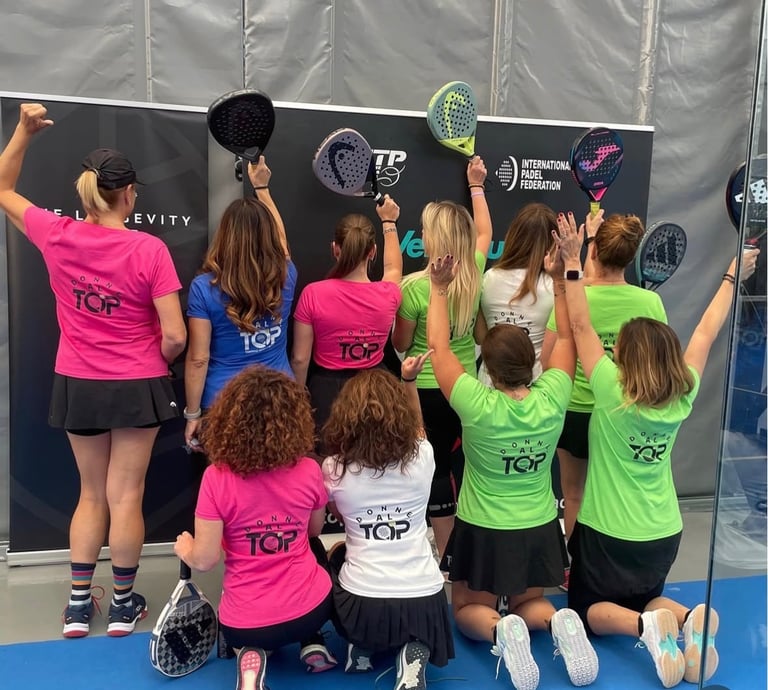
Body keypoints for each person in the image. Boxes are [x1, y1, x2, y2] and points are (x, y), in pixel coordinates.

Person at [0, 103, 187, 638]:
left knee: (90, 493)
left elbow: (2, 186)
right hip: (137, 381)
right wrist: (156, 359)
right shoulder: (149, 249)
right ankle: (123, 608)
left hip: (79, 380)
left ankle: (79, 607)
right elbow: (174, 334)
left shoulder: (56, 234)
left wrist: (23, 132)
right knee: (126, 494)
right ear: (129, 194)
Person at [554, 212, 759, 687]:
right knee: (647, 594)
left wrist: (570, 261)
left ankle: (644, 627)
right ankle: (687, 619)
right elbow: (707, 328)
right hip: (663, 532)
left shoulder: (610, 389)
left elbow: (580, 325)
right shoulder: (683, 389)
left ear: (623, 358)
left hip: (608, 533)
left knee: (588, 613)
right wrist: (732, 274)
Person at [427, 253, 599, 690]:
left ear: (489, 366)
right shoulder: (555, 392)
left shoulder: (475, 402)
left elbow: (439, 349)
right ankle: (558, 620)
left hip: (484, 528)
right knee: (530, 602)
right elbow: (565, 336)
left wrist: (439, 288)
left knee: (465, 607)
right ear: (532, 361)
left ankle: (500, 631)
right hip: (539, 525)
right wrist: (560, 281)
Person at [174, 366, 337, 687]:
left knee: (249, 631)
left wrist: (186, 548)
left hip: (244, 624)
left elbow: (205, 560)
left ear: (229, 420)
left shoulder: (216, 478)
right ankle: (312, 642)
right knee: (314, 549)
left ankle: (251, 652)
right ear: (294, 420)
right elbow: (314, 531)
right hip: (312, 611)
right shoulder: (309, 469)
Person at [541, 211, 668, 574]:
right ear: (631, 257)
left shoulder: (574, 299)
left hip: (577, 412)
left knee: (574, 492)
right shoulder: (650, 304)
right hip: (624, 415)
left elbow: (551, 360)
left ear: (593, 253)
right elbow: (656, 360)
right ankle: (613, 568)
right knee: (614, 493)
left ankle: (575, 570)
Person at [321, 353, 454, 690]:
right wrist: (409, 381)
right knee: (414, 619)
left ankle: (362, 647)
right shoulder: (423, 457)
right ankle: (414, 649)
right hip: (425, 602)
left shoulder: (334, 468)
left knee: (335, 555)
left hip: (363, 607)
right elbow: (419, 430)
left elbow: (336, 512)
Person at [391, 157, 492, 560]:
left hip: (426, 391)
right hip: (463, 388)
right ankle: (456, 547)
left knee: (429, 470)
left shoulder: (413, 288)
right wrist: (477, 186)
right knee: (454, 467)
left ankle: (446, 552)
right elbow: (485, 232)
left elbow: (401, 343)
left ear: (434, 239)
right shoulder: (475, 272)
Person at [184, 156, 294, 447]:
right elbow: (282, 243)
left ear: (225, 236)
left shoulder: (203, 289)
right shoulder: (286, 276)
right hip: (281, 400)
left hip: (223, 403)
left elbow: (198, 359)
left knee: (226, 487)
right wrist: (262, 188)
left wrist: (193, 413)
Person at [291, 195, 402, 441]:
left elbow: (300, 360)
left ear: (335, 249)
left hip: (327, 392)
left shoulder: (313, 293)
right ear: (373, 252)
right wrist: (389, 221)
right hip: (376, 393)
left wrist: (298, 403)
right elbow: (394, 269)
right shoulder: (389, 294)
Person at [475, 202, 558, 385]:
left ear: (513, 236)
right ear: (553, 244)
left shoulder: (489, 278)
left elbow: (480, 337)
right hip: (535, 386)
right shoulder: (555, 286)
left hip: (490, 383)